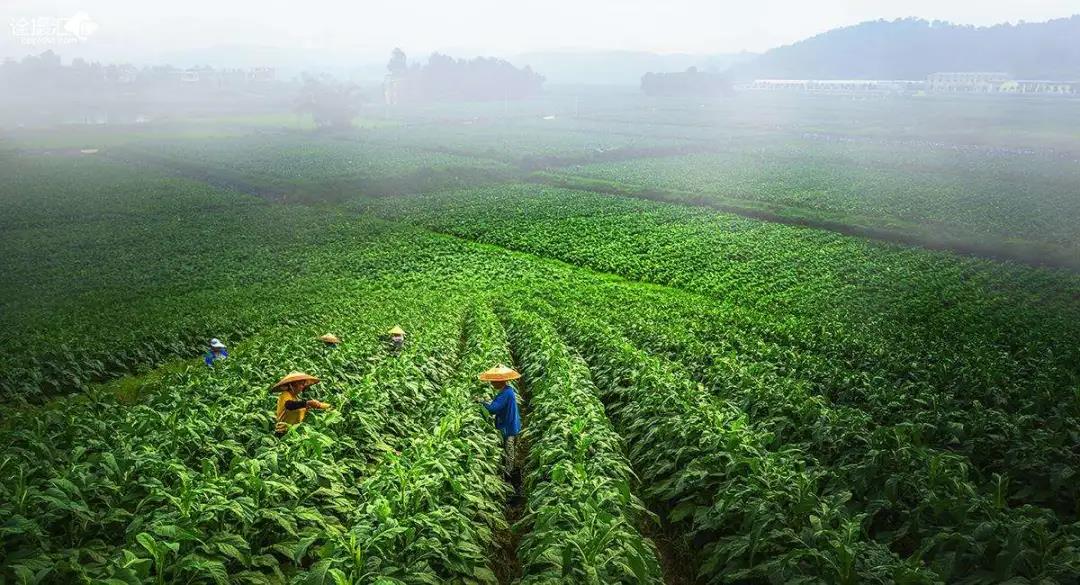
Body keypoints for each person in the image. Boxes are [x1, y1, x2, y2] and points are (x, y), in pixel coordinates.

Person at [476, 364, 522, 472]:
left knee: (508, 452)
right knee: (508, 451)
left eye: (493, 381)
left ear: (499, 382)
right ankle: (509, 472)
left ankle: (509, 476)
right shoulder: (507, 390)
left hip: (508, 428)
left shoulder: (505, 394)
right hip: (511, 425)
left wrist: (481, 402)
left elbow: (494, 409)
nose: (491, 383)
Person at [271, 371, 331, 436]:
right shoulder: (285, 395)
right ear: (292, 385)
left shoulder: (296, 397)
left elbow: (315, 405)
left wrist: (329, 406)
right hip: (283, 432)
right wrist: (307, 403)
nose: (303, 387)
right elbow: (289, 405)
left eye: (303, 384)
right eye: (301, 384)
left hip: (294, 432)